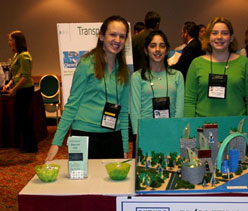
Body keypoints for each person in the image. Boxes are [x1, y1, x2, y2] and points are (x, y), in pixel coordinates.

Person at [46, 15, 130, 161]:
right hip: (85, 134)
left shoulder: (124, 71)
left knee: (113, 183)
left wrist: (124, 146)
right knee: (84, 183)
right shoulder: (86, 63)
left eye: (122, 36)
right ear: (102, 36)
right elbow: (72, 105)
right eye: (113, 34)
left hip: (113, 137)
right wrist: (56, 142)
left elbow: (122, 113)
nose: (117, 40)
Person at [184, 17, 248, 139]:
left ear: (232, 38)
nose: (219, 37)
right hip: (202, 129)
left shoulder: (244, 63)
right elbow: (189, 101)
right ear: (208, 37)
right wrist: (189, 131)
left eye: (224, 33)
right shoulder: (196, 64)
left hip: (236, 129)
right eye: (214, 33)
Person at [130, 30, 184, 135]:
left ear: (167, 50)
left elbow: (180, 111)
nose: (158, 50)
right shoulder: (137, 77)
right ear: (146, 50)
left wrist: (176, 132)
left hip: (171, 132)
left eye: (162, 46)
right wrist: (139, 136)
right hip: (146, 133)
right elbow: (135, 112)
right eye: (153, 46)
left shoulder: (177, 76)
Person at [2, 31, 37, 153]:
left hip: (25, 89)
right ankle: (25, 145)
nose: (9, 42)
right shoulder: (16, 55)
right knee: (20, 118)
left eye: (11, 40)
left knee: (25, 118)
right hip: (20, 89)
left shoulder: (24, 56)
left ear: (17, 41)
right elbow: (16, 74)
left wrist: (14, 89)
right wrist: (9, 84)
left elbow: (25, 77)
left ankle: (31, 146)